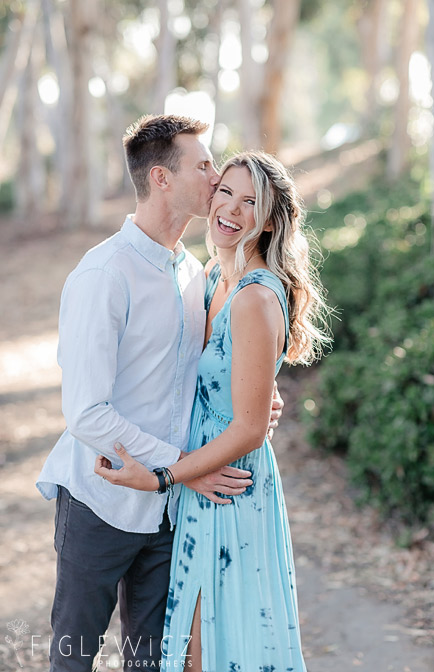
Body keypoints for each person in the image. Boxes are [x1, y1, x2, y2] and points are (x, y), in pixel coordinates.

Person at [36, 114, 283, 671]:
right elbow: (86, 412)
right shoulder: (105, 274)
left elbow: (202, 373)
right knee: (73, 654)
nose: (215, 176)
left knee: (151, 661)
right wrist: (182, 466)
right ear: (161, 178)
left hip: (171, 511)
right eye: (203, 165)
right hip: (101, 497)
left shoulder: (192, 272)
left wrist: (257, 400)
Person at [96, 150, 330, 670]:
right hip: (202, 477)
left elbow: (248, 428)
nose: (232, 208)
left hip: (230, 486)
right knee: (194, 649)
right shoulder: (211, 276)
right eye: (226, 191)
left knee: (215, 648)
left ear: (270, 219)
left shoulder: (254, 296)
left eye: (251, 201)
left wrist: (163, 477)